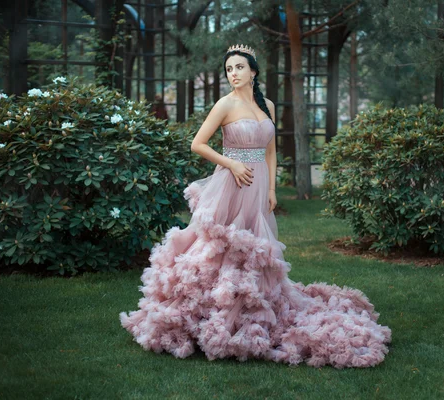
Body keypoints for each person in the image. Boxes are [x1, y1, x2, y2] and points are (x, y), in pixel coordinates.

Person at [119, 44, 391, 368]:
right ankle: (211, 312)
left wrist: (273, 188)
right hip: (231, 183)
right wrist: (232, 164)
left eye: (238, 67)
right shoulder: (225, 104)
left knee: (257, 249)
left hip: (259, 184)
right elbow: (197, 144)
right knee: (222, 247)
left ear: (253, 71)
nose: (233, 73)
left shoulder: (268, 106)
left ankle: (255, 308)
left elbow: (270, 151)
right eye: (229, 69)